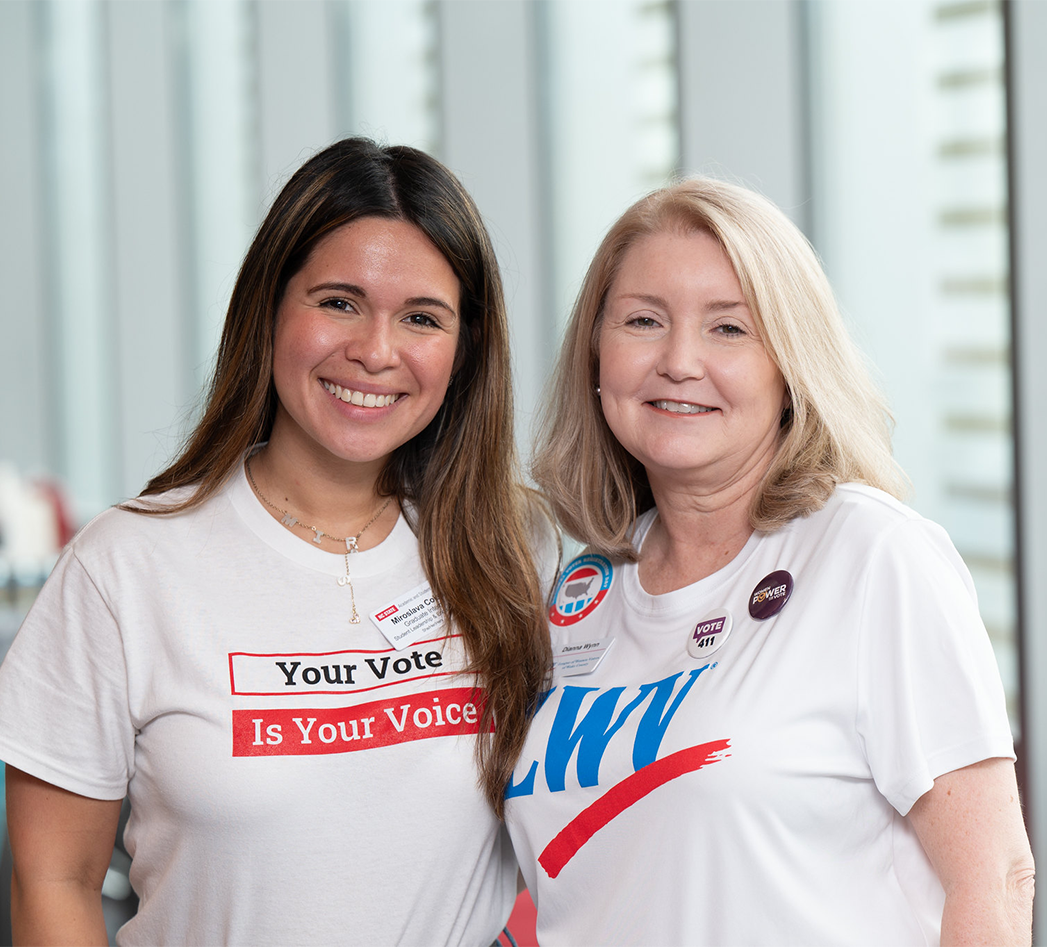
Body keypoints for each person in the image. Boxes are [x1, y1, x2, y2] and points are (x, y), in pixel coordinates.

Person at [0, 137, 552, 946]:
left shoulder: (514, 549)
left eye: (422, 318)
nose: (374, 350)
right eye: (337, 301)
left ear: (465, 348)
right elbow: (55, 880)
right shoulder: (126, 566)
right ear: (268, 308)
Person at [504, 177, 1034, 945]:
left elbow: (993, 877)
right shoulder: (575, 594)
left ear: (789, 364)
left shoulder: (870, 557)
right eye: (643, 320)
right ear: (596, 354)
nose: (679, 360)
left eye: (728, 329)